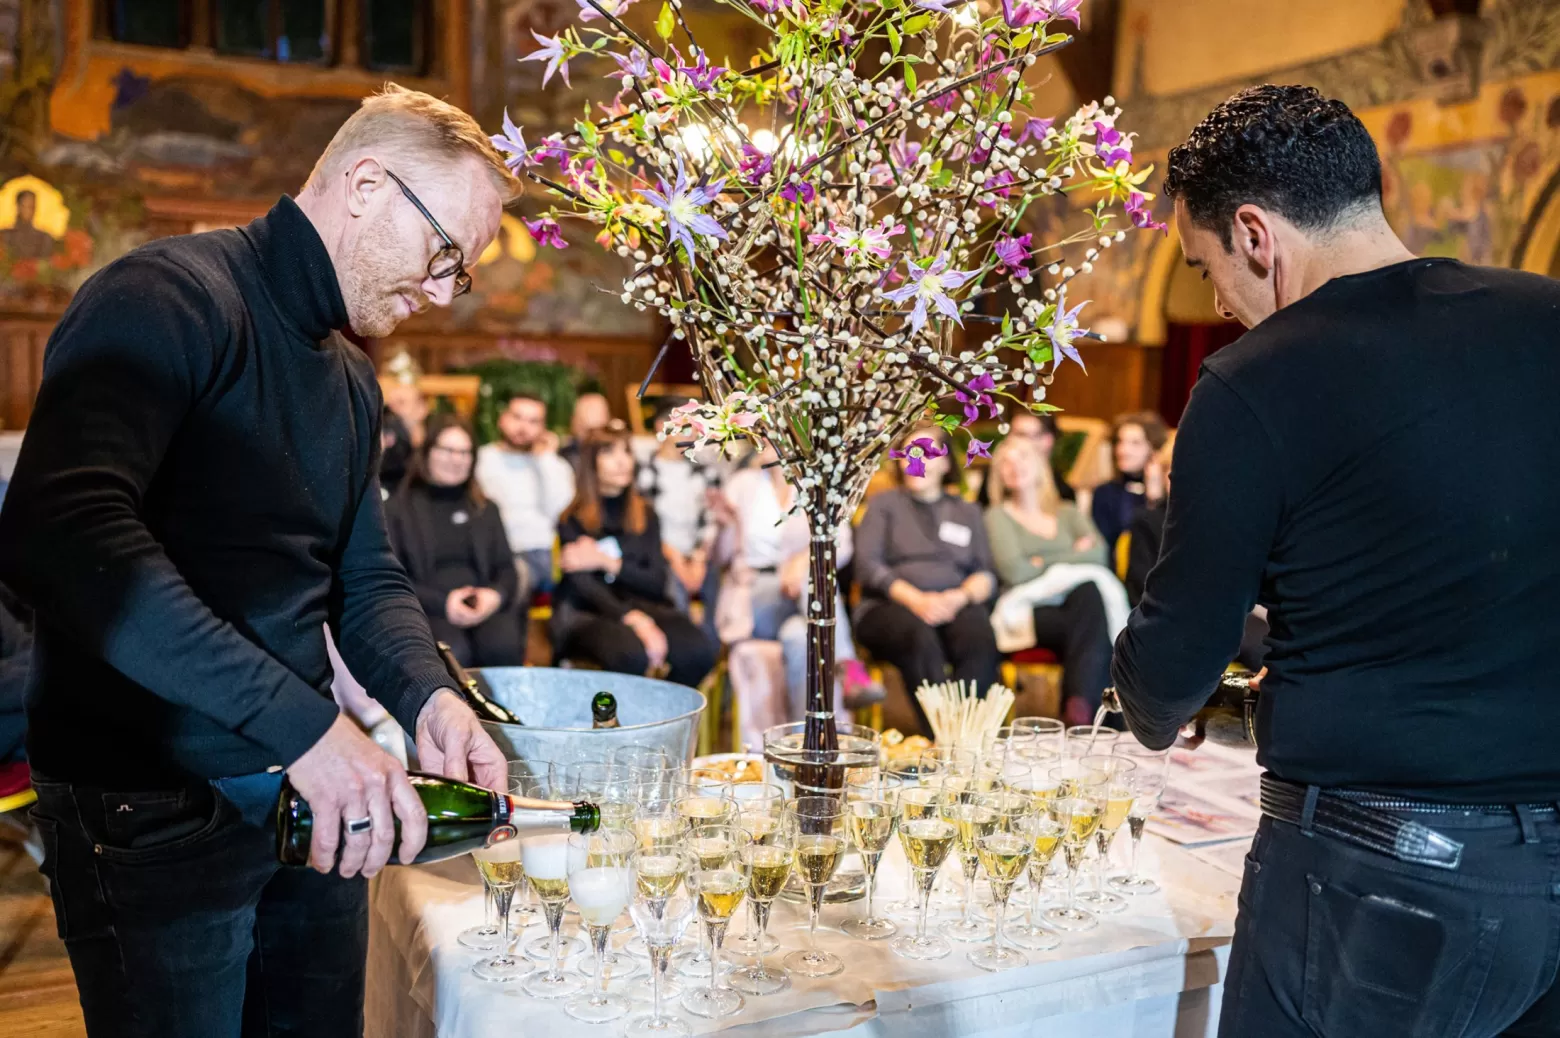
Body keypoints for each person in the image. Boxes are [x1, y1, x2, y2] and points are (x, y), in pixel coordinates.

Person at [0, 84, 514, 1037]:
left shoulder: (352, 376)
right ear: (366, 184)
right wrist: (311, 730)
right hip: (149, 802)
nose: (445, 291)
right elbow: (63, 531)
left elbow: (366, 580)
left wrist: (430, 697)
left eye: (462, 273)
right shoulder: (165, 298)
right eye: (445, 253)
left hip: (302, 788)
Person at [1111, 85, 1560, 1037]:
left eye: (1204, 272)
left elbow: (1168, 674)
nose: (1223, 307)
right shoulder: (1546, 316)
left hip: (1381, 886)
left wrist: (1159, 697)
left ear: (1256, 234)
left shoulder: (1257, 380)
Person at [852, 428, 1000, 733]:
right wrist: (917, 601)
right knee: (918, 636)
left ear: (946, 463)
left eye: (927, 451)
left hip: (954, 601)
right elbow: (867, 567)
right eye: (909, 452)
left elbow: (986, 574)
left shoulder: (967, 510)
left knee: (979, 635)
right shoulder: (884, 505)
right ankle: (942, 734)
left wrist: (957, 597)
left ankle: (968, 733)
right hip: (889, 605)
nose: (916, 458)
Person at [719, 443, 881, 720]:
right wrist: (725, 524)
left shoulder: (817, 485)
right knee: (816, 576)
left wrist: (802, 561)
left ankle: (800, 741)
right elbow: (721, 556)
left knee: (800, 637)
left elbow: (841, 544)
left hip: (804, 602)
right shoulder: (742, 484)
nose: (766, 440)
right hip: (755, 594)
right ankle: (848, 665)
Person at [552, 425, 717, 687]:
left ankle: (663, 720)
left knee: (697, 651)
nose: (622, 461)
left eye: (627, 451)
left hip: (648, 605)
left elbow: (655, 580)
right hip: (591, 614)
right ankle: (631, 725)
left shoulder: (646, 515)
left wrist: (606, 562)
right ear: (590, 462)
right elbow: (585, 588)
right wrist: (633, 619)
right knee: (630, 655)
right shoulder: (572, 519)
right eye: (609, 452)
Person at [984, 436, 1114, 726]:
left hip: (1075, 608)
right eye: (1006, 461)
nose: (1014, 466)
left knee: (1089, 593)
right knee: (1094, 625)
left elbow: (1100, 555)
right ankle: (1090, 714)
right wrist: (1070, 555)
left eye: (1022, 457)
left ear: (1039, 465)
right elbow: (1014, 572)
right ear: (999, 473)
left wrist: (1042, 562)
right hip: (1028, 609)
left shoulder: (1068, 511)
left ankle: (1077, 707)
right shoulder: (997, 516)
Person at [386, 414, 525, 667]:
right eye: (448, 450)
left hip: (481, 604)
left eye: (465, 452)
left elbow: (507, 569)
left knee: (502, 645)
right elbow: (394, 578)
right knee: (453, 651)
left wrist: (494, 596)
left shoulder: (485, 508)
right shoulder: (397, 510)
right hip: (428, 607)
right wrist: (444, 603)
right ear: (427, 452)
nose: (457, 460)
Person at [474, 389, 574, 595]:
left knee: (510, 579)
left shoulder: (554, 465)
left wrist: (546, 459)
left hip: (536, 553)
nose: (523, 427)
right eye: (517, 417)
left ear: (543, 428)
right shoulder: (481, 459)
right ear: (502, 419)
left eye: (533, 421)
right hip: (488, 550)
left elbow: (562, 511)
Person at [638, 402, 717, 609]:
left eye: (694, 427)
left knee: (714, 582)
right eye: (683, 426)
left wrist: (699, 558)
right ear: (661, 426)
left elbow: (711, 518)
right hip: (660, 553)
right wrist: (676, 560)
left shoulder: (705, 473)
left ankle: (711, 640)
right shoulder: (644, 473)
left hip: (698, 554)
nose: (689, 433)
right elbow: (644, 521)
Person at [1089, 410, 1168, 553]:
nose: (1123, 450)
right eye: (1120, 441)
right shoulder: (1105, 492)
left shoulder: (1168, 494)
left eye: (1135, 443)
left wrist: (1155, 500)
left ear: (1154, 449)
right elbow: (1105, 546)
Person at [560, 390, 612, 470]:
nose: (594, 438)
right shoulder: (568, 456)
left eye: (600, 430)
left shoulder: (616, 448)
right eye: (590, 432)